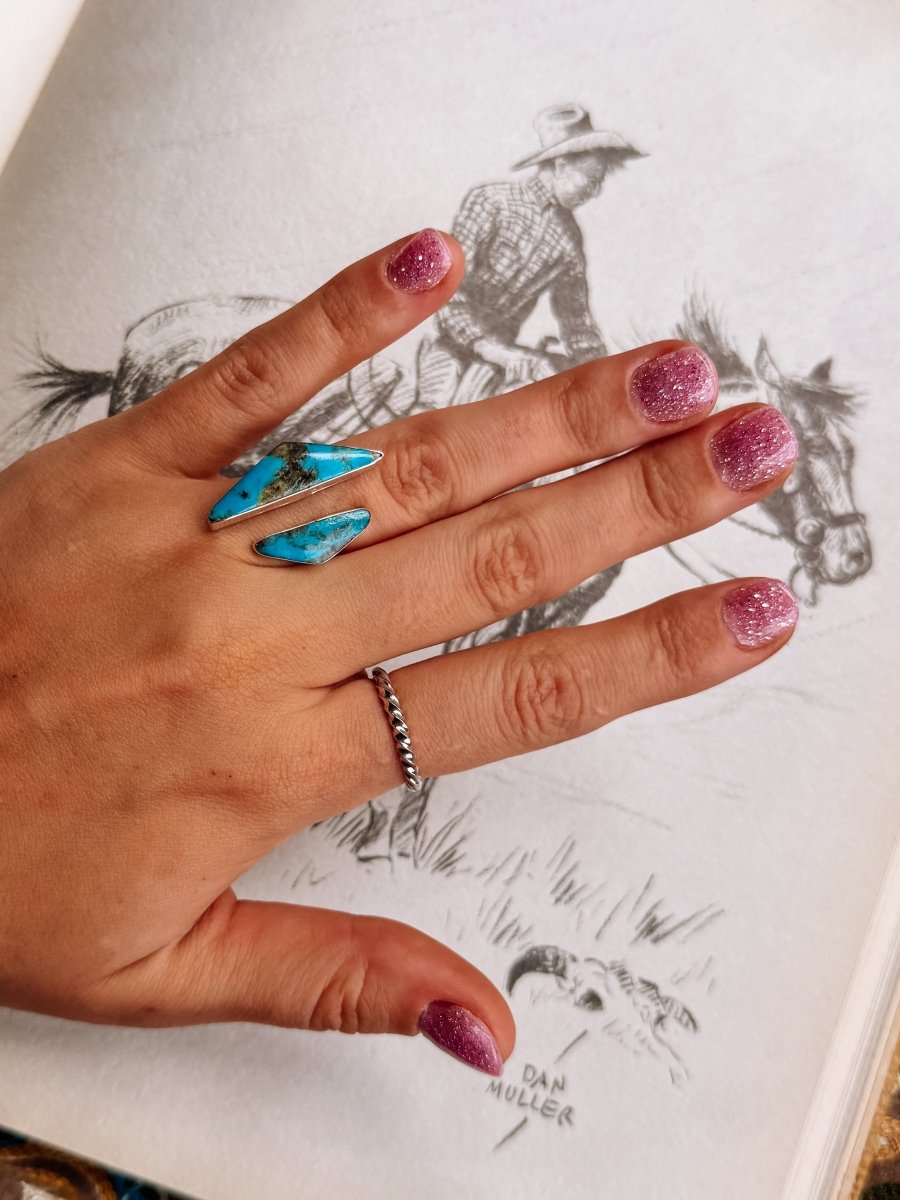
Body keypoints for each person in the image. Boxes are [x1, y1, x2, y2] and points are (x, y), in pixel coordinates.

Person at [0, 227, 799, 1077]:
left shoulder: (562, 233)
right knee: (424, 452)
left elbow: (572, 313)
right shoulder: (509, 205)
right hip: (459, 347)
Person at [434, 103, 644, 398]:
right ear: (561, 165)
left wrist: (607, 380)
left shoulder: (569, 240)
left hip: (508, 362)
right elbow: (445, 290)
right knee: (437, 411)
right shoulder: (492, 202)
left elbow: (577, 324)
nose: (595, 192)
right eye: (592, 179)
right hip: (450, 352)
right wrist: (494, 350)